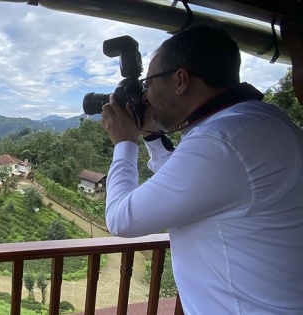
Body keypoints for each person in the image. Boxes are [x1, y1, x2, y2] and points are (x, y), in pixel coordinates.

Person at [101, 25, 303, 314]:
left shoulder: (221, 140)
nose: (146, 97)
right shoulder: (257, 122)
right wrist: (151, 136)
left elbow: (121, 219)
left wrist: (124, 143)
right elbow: (188, 182)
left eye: (149, 84)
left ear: (181, 80)